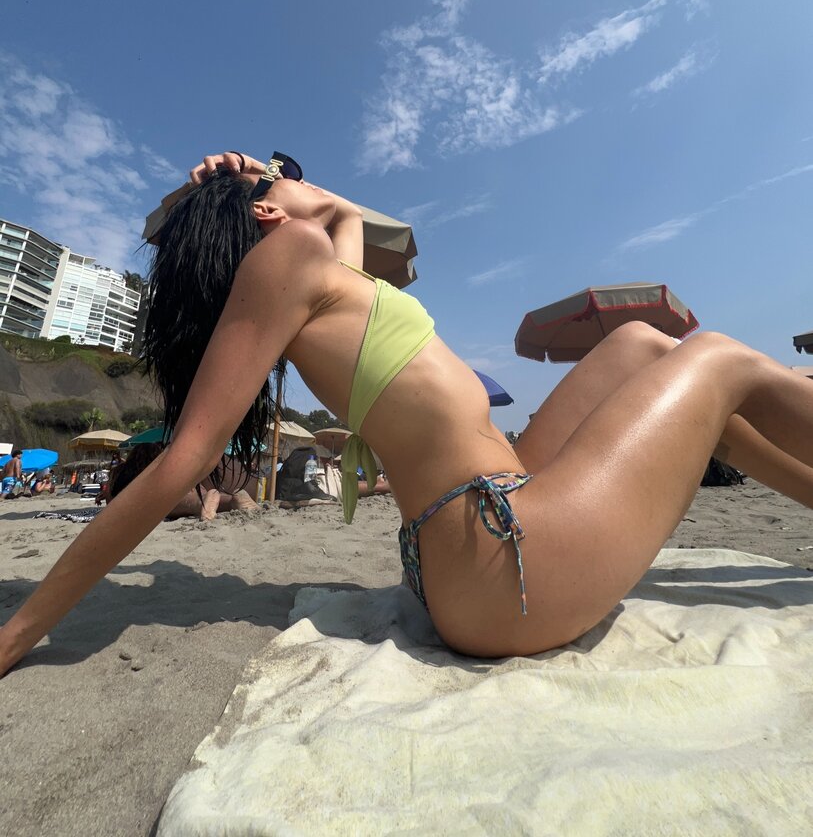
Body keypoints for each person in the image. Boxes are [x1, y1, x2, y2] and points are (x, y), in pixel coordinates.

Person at [2, 147, 813, 676]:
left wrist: (250, 179)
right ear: (266, 215)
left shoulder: (324, 268)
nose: (293, 171)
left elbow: (346, 216)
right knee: (719, 359)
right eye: (281, 172)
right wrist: (18, 632)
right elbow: (183, 459)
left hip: (487, 542)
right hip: (507, 564)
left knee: (639, 344)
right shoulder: (287, 258)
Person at [99, 442, 261, 521]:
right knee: (191, 498)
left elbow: (111, 500)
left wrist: (105, 496)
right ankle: (231, 499)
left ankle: (208, 501)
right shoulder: (159, 471)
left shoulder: (120, 471)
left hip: (145, 506)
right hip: (172, 493)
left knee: (188, 504)